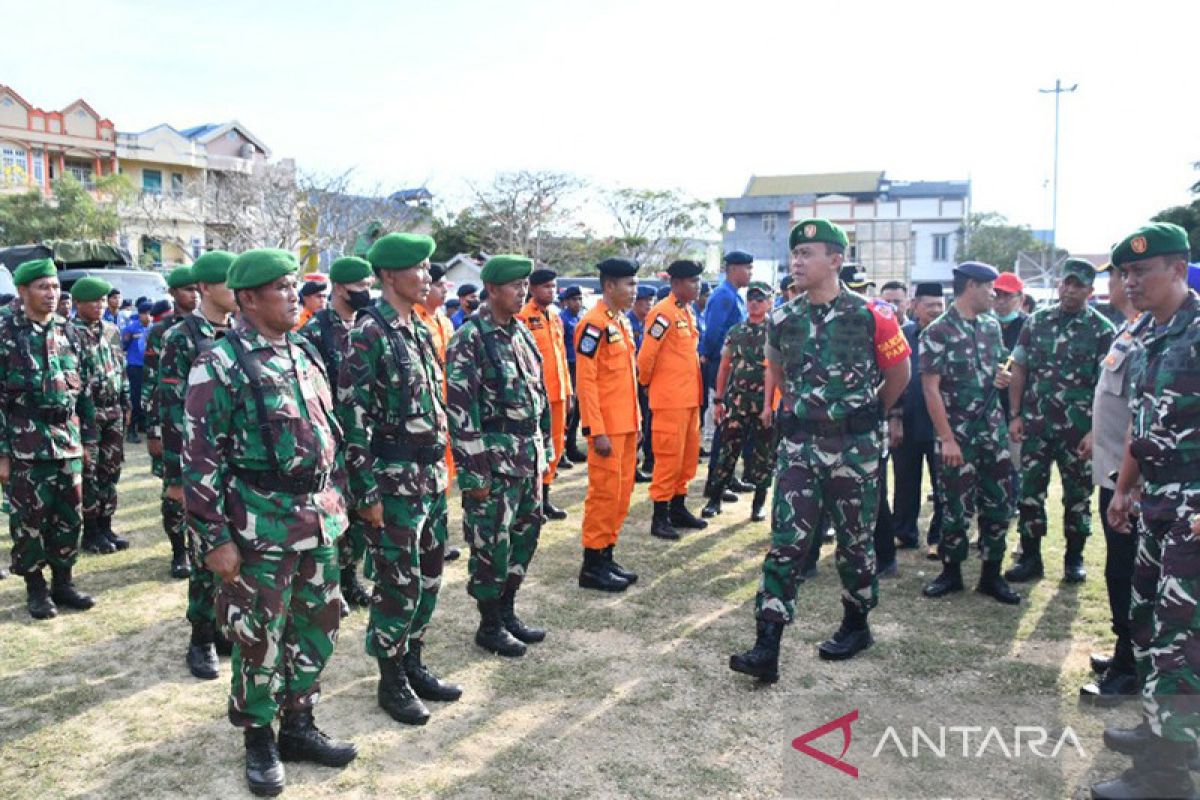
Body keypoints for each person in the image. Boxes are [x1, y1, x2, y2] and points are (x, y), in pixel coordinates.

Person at [182, 248, 357, 797]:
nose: (293, 295)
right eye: (282, 287)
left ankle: (299, 723)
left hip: (317, 519)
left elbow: (328, 433)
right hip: (259, 525)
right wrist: (214, 539)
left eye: (293, 286)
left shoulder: (302, 353)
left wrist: (340, 499)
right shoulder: (221, 361)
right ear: (250, 298)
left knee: (319, 623)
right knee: (258, 635)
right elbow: (200, 459)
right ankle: (258, 735)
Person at [729, 219, 910, 682]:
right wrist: (802, 412)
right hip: (800, 447)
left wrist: (864, 416)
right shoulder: (783, 316)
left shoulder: (872, 314)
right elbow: (779, 373)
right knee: (786, 543)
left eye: (807, 253)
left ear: (835, 260)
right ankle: (766, 644)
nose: (797, 261)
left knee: (854, 543)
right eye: (794, 253)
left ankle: (856, 623)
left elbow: (899, 375)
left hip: (856, 448)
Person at [1091, 222, 1200, 800]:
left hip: (1195, 506)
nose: (1129, 282)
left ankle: (1166, 775)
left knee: (1180, 637)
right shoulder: (1148, 338)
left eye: (1142, 271)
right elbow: (1140, 425)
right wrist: (1123, 489)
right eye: (1125, 273)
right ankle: (1164, 730)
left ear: (1178, 270)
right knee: (1151, 626)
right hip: (1156, 500)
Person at [338, 234, 461, 726]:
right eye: (418, 268)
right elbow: (351, 415)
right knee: (397, 584)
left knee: (428, 577)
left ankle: (413, 660)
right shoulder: (369, 332)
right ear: (390, 276)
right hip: (392, 485)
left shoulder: (419, 329)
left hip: (428, 477)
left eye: (429, 267)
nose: (427, 276)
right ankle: (391, 678)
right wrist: (365, 492)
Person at [446, 255, 552, 658]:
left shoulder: (521, 333)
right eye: (514, 286)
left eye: (525, 285)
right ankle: (489, 624)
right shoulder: (470, 338)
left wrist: (546, 448)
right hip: (494, 463)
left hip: (526, 458)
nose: (522, 292)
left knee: (526, 535)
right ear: (491, 290)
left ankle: (507, 612)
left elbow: (538, 397)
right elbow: (461, 411)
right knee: (492, 545)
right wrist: (474, 474)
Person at [1005, 258, 1115, 584]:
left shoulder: (1101, 330)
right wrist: (1015, 415)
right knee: (1030, 493)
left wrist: (1096, 431)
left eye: (1078, 285)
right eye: (1067, 282)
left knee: (1078, 496)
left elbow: (1106, 387)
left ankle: (1074, 559)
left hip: (1078, 431)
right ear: (1059, 284)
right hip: (1036, 426)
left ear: (1090, 291)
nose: (1070, 289)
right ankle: (1030, 557)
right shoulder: (1035, 323)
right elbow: (1020, 369)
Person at [919, 262, 1021, 606]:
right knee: (954, 507)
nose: (995, 294)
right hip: (957, 436)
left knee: (999, 504)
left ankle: (991, 575)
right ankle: (951, 572)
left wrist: (1002, 378)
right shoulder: (938, 331)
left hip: (992, 434)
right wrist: (947, 438)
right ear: (971, 286)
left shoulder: (992, 327)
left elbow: (999, 367)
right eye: (990, 288)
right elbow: (931, 390)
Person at [0, 258, 97, 620]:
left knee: (69, 517)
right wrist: (3, 454)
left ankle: (64, 582)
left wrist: (87, 438)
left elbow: (83, 390)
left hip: (67, 440)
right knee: (29, 521)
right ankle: (35, 588)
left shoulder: (69, 331)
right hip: (25, 443)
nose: (52, 294)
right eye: (43, 287)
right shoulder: (6, 332)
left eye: (56, 287)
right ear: (23, 291)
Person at [159, 249, 238, 681]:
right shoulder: (182, 337)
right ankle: (201, 637)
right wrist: (176, 478)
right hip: (201, 466)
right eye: (229, 283)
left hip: (240, 466)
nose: (238, 292)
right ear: (206, 287)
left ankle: (224, 628)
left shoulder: (243, 331)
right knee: (205, 554)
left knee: (238, 553)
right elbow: (172, 412)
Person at [1078, 261, 1140, 706]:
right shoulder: (1130, 331)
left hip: (1134, 482)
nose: (1119, 282)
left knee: (1130, 573)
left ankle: (1131, 664)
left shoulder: (1154, 337)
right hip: (1115, 473)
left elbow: (1145, 418)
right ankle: (1126, 651)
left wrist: (1126, 485)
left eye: (1125, 273)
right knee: (1120, 570)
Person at [299, 256, 376, 608]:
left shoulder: (369, 326)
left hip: (363, 435)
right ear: (342, 289)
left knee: (360, 514)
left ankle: (350, 578)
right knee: (333, 515)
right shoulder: (314, 332)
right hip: (330, 439)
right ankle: (331, 585)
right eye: (362, 287)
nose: (368, 292)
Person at [574, 258, 642, 592]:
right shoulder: (593, 324)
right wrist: (595, 430)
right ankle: (592, 565)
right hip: (607, 430)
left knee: (620, 494)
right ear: (609, 286)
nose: (634, 290)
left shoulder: (621, 323)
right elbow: (586, 383)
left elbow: (628, 380)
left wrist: (638, 422)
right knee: (603, 495)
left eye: (635, 283)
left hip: (626, 425)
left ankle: (607, 555)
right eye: (628, 284)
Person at [638, 259, 707, 541]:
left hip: (689, 398)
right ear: (677, 284)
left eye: (697, 280)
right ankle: (660, 516)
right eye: (692, 281)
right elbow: (647, 356)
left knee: (687, 457)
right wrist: (645, 383)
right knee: (668, 458)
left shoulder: (685, 311)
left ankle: (678, 507)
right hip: (670, 400)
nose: (697, 285)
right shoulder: (662, 313)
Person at [143, 265, 200, 578]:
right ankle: (179, 551)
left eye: (196, 288)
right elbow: (154, 386)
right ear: (173, 294)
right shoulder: (162, 332)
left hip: (205, 422)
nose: (193, 294)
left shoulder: (216, 326)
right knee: (174, 491)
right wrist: (154, 430)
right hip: (173, 423)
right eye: (187, 289)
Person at [702, 281, 774, 522]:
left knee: (763, 455)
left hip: (764, 404)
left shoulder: (775, 332)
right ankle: (715, 499)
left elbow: (778, 369)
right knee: (727, 451)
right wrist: (719, 399)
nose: (755, 303)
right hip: (737, 403)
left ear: (769, 302)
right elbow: (724, 366)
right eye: (751, 298)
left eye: (760, 299)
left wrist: (771, 406)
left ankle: (758, 504)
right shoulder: (736, 331)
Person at [70, 277, 131, 555]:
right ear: (78, 303)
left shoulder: (112, 330)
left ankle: (106, 525)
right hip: (88, 412)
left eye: (102, 300)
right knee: (90, 473)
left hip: (114, 409)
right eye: (93, 300)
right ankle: (91, 531)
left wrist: (127, 403)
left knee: (111, 469)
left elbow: (122, 368)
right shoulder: (70, 332)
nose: (99, 305)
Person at [891, 282, 945, 557]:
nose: (935, 310)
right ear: (915, 306)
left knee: (943, 483)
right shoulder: (901, 335)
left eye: (940, 305)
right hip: (908, 420)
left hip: (941, 424)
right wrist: (894, 418)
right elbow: (889, 378)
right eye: (929, 305)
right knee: (905, 480)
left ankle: (939, 537)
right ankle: (904, 532)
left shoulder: (951, 334)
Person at [516, 268, 573, 521]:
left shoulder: (555, 316)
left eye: (554, 286)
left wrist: (569, 391)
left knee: (555, 447)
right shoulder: (523, 317)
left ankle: (545, 499)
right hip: (536, 395)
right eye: (545, 287)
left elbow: (560, 356)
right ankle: (532, 502)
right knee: (535, 449)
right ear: (533, 289)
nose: (551, 291)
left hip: (558, 392)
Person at [415, 263, 462, 560]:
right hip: (427, 414)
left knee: (445, 476)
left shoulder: (444, 321)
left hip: (449, 410)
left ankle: (438, 538)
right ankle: (423, 540)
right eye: (440, 284)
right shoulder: (416, 321)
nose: (445, 289)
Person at [701, 252, 753, 495]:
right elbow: (712, 333)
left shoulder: (734, 295)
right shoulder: (723, 295)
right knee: (724, 426)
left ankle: (728, 476)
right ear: (733, 269)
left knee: (735, 427)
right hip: (723, 367)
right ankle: (716, 481)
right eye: (747, 268)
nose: (750, 273)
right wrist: (710, 358)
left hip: (735, 369)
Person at [629, 285, 657, 482]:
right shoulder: (628, 322)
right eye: (644, 301)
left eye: (650, 301)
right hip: (631, 379)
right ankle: (632, 465)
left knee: (648, 421)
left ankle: (648, 459)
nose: (648, 305)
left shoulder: (650, 323)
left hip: (648, 378)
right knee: (636, 422)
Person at [558, 285, 586, 464]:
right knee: (569, 410)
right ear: (566, 302)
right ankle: (563, 450)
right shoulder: (562, 319)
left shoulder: (582, 317)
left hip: (581, 365)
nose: (577, 303)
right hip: (569, 365)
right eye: (574, 299)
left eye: (579, 299)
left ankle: (572, 447)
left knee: (578, 410)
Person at [121, 300, 152, 442]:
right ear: (139, 314)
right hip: (135, 367)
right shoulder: (131, 329)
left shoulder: (154, 328)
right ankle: (131, 431)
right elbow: (123, 346)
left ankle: (143, 424)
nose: (148, 316)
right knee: (135, 398)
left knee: (147, 398)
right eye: (145, 313)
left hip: (149, 367)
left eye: (150, 313)